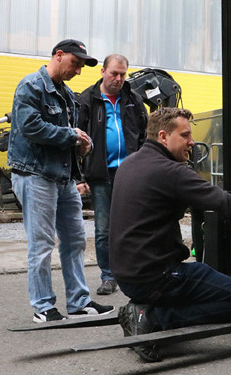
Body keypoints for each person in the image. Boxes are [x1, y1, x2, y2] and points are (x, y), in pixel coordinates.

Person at [109, 107, 231, 362]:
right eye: (185, 135)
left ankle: (146, 308)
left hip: (127, 275)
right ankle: (152, 318)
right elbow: (227, 204)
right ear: (163, 136)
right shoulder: (171, 172)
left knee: (206, 279)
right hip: (158, 277)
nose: (192, 142)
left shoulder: (129, 164)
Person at [8, 39, 113, 323]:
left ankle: (78, 302)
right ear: (58, 55)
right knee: (42, 244)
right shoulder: (31, 86)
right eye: (75, 63)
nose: (78, 71)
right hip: (35, 175)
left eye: (81, 66)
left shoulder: (67, 95)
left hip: (64, 178)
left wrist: (82, 147)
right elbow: (30, 127)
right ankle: (43, 307)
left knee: (76, 239)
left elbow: (68, 136)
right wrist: (71, 136)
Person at [77, 54, 148, 296]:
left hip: (130, 174)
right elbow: (76, 141)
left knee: (135, 225)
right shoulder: (87, 100)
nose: (118, 79)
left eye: (122, 74)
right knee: (104, 229)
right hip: (100, 175)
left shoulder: (133, 99)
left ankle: (136, 272)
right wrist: (80, 176)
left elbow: (143, 135)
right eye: (114, 73)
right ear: (102, 72)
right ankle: (108, 276)